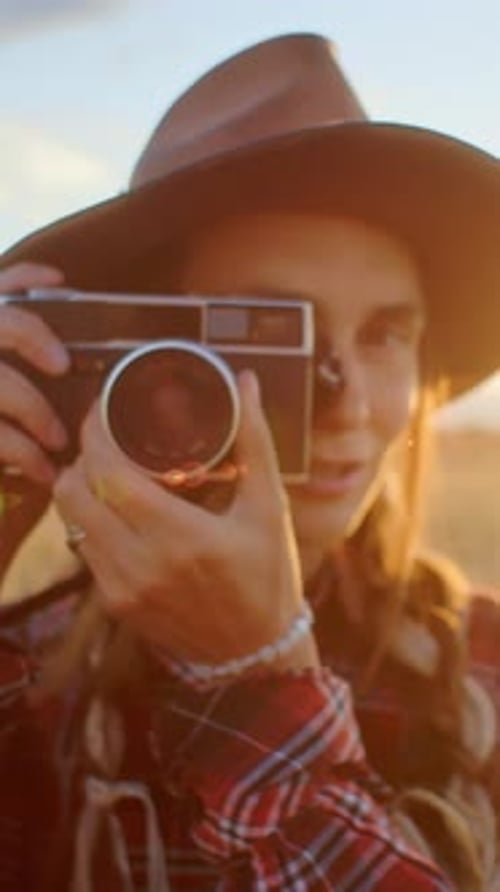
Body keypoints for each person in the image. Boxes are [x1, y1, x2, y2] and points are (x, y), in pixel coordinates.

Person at [0, 32, 499, 892]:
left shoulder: (484, 675)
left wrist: (256, 678)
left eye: (386, 333)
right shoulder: (28, 675)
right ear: (138, 360)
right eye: (273, 335)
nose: (347, 403)